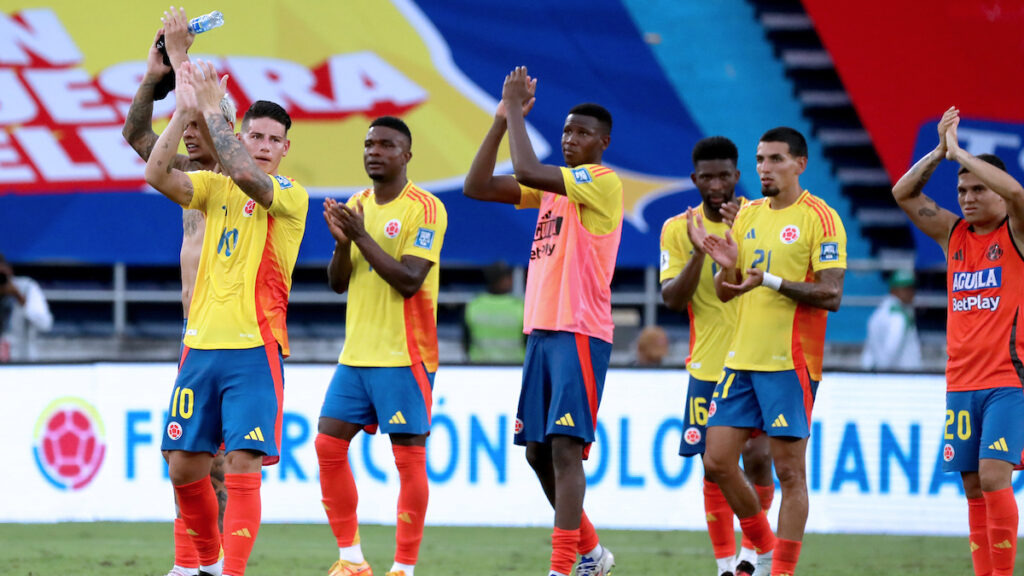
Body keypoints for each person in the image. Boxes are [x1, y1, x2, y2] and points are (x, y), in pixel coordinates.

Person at [144, 60, 308, 576]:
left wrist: (212, 108)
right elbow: (155, 172)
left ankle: (230, 573)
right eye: (254, 135)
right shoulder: (212, 189)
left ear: (285, 149)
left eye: (273, 139)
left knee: (241, 467)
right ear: (240, 134)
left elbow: (244, 174)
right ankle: (207, 564)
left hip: (255, 349)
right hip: (200, 347)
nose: (262, 145)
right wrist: (185, 111)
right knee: (183, 469)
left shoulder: (290, 196)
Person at [463, 66, 619, 576]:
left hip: (579, 330)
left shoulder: (600, 182)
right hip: (542, 332)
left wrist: (513, 111)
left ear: (603, 142)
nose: (570, 139)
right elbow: (477, 184)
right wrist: (499, 120)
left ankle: (563, 567)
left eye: (581, 133)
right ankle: (592, 553)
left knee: (566, 450)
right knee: (536, 452)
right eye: (566, 131)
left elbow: (527, 170)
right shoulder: (555, 190)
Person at [696, 127, 846, 576]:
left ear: (800, 164)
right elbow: (728, 292)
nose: (765, 168)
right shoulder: (747, 215)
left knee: (790, 474)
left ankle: (779, 570)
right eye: (760, 160)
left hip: (790, 363)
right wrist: (724, 270)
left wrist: (772, 281)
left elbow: (832, 294)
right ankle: (761, 542)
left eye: (776, 160)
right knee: (717, 461)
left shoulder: (821, 217)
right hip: (741, 360)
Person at [122, 9, 233, 576]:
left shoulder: (239, 184)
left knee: (215, 467)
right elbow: (137, 136)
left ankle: (215, 566)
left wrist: (184, 59)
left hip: (234, 341)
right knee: (182, 458)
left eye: (195, 122)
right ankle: (190, 563)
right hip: (194, 338)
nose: (186, 129)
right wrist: (153, 77)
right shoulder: (188, 179)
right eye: (183, 123)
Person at [892, 106, 1024, 576]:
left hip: (1010, 378)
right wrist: (940, 152)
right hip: (960, 381)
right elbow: (903, 192)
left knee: (993, 477)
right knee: (972, 486)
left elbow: (1016, 190)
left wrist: (963, 150)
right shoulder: (955, 236)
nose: (967, 197)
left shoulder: (1016, 231)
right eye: (961, 189)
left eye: (977, 189)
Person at [316, 116, 447, 576]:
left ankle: (403, 568)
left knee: (408, 459)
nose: (375, 151)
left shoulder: (426, 209)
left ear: (407, 155)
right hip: (356, 355)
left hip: (404, 353)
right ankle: (351, 560)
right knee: (327, 446)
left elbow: (410, 280)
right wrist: (340, 246)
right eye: (369, 144)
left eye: (387, 145)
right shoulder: (357, 205)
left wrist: (360, 236)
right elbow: (337, 284)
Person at [659, 136, 773, 576]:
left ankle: (754, 552)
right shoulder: (676, 227)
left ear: (737, 176)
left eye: (725, 175)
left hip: (757, 360)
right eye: (707, 176)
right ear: (695, 179)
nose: (716, 183)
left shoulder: (756, 220)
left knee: (759, 459)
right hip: (707, 365)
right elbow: (671, 299)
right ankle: (727, 563)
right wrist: (697, 249)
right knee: (713, 468)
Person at [860, 269, 922, 371]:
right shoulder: (899, 317)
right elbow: (890, 353)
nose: (911, 293)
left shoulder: (878, 313)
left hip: (888, 376)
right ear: (894, 290)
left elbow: (869, 353)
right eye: (906, 289)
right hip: (902, 378)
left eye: (912, 288)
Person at [464, 261, 525, 363]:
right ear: (504, 280)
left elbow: (466, 343)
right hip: (515, 368)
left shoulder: (473, 306)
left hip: (478, 368)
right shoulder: (520, 307)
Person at [0, 253, 53, 362]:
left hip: (23, 363)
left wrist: (20, 298)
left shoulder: (26, 288)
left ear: (9, 270)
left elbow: (45, 324)